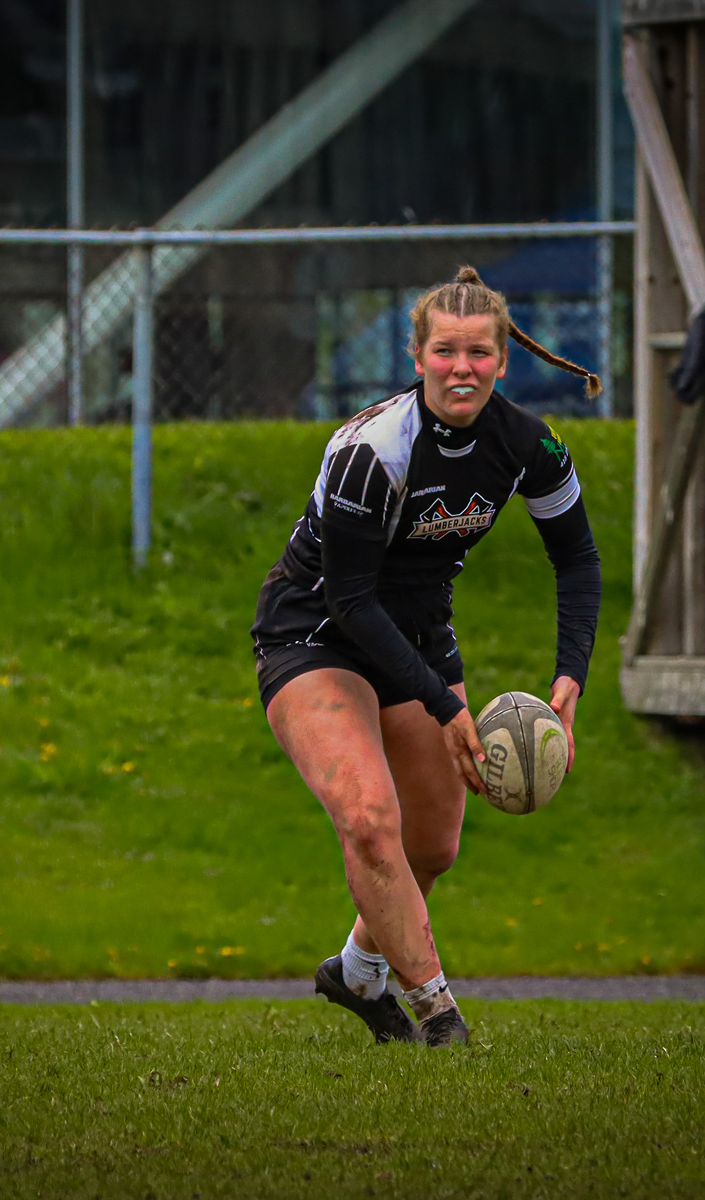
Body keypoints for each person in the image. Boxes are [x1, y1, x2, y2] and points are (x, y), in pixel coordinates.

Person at [252, 266, 602, 1047]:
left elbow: (577, 559)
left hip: (413, 639)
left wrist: (570, 673)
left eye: (479, 352)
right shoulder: (370, 453)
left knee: (432, 844)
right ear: (417, 358)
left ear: (504, 360)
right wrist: (447, 704)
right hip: (315, 633)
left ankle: (356, 972)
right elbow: (350, 600)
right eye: (445, 351)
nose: (462, 368)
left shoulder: (528, 445)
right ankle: (439, 1015)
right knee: (370, 820)